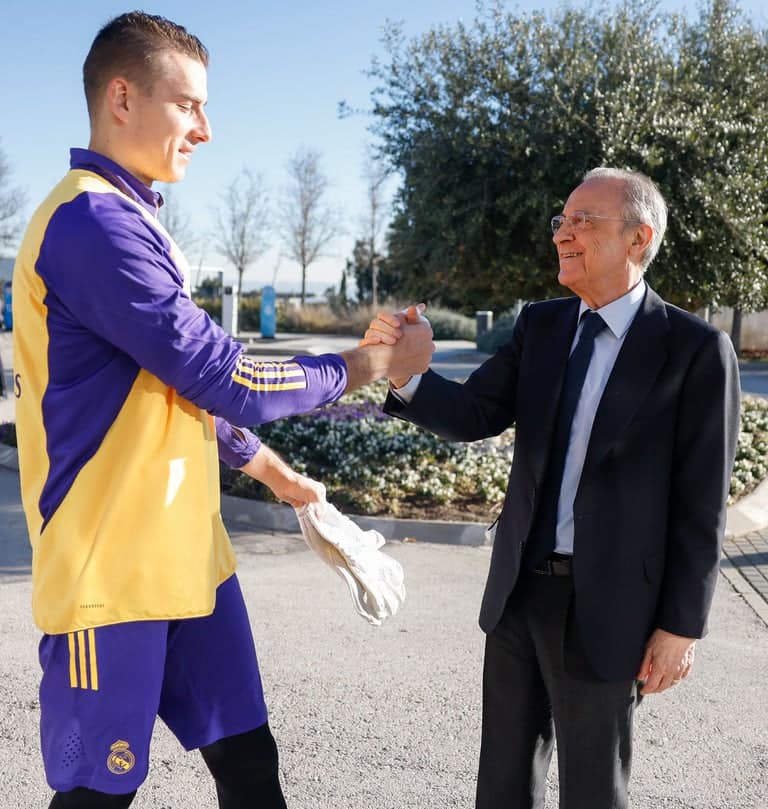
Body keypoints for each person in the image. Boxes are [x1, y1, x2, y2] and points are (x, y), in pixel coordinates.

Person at [12, 11, 433, 809]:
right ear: (124, 98)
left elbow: (182, 391)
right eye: (189, 105)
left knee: (248, 763)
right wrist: (366, 366)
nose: (205, 128)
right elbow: (222, 374)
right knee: (98, 794)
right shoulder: (91, 221)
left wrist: (282, 478)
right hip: (113, 573)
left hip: (188, 562)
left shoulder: (131, 215)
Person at [363, 167, 740, 809]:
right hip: (518, 593)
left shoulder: (696, 350)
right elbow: (473, 413)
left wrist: (682, 626)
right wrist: (408, 375)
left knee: (594, 791)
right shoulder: (542, 326)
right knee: (503, 785)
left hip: (609, 607)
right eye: (561, 221)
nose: (563, 234)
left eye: (582, 222)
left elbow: (701, 504)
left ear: (638, 237)